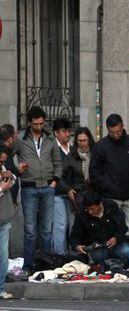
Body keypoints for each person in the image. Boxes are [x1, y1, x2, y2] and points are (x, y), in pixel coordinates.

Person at [15, 106, 63, 272]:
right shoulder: (21, 139)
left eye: (41, 123)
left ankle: (46, 264)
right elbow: (7, 155)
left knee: (46, 230)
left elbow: (58, 162)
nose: (38, 127)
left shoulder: (50, 139)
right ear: (29, 123)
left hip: (48, 187)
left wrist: (55, 181)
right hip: (29, 188)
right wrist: (16, 168)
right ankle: (28, 266)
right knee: (30, 230)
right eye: (35, 124)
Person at [89, 114, 129, 242]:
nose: (116, 135)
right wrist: (106, 185)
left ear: (122, 126)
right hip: (110, 196)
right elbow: (94, 171)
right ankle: (113, 257)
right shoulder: (101, 146)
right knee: (111, 227)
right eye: (112, 132)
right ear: (107, 130)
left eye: (118, 131)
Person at [70, 190, 129, 268]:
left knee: (126, 251)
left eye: (92, 209)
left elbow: (122, 227)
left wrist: (116, 238)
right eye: (87, 209)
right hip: (96, 246)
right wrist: (76, 246)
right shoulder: (82, 214)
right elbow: (75, 234)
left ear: (100, 205)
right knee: (98, 256)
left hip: (116, 243)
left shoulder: (111, 206)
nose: (90, 212)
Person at [60, 127, 95, 209]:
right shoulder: (71, 155)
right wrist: (68, 189)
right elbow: (60, 175)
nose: (82, 143)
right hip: (79, 193)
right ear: (76, 141)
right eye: (79, 141)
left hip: (95, 193)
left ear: (89, 139)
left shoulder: (96, 152)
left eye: (84, 140)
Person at [52, 118, 72, 255]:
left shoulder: (72, 148)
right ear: (56, 133)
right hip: (58, 193)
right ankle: (59, 256)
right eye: (64, 131)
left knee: (70, 226)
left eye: (68, 131)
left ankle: (69, 254)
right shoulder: (53, 149)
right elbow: (54, 173)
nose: (67, 134)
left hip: (73, 193)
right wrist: (67, 189)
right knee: (60, 225)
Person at [0, 146, 16, 299]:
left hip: (4, 218)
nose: (2, 163)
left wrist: (9, 175)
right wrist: (1, 188)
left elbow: (14, 180)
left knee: (3, 256)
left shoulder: (3, 167)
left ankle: (0, 288)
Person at [0, 124, 23, 204]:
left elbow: (9, 174)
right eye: (16, 137)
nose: (17, 139)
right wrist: (1, 189)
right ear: (10, 139)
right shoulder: (4, 154)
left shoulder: (8, 152)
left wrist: (14, 173)